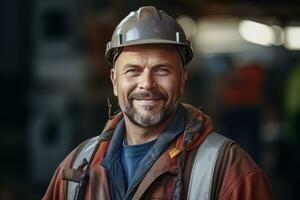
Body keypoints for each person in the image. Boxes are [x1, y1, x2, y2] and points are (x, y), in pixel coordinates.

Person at [43, 6, 276, 200]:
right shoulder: (75, 168)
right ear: (115, 81)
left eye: (162, 70)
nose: (147, 83)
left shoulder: (231, 174)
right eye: (133, 71)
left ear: (183, 80)